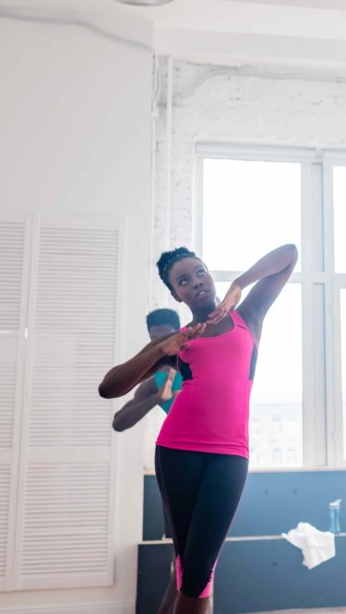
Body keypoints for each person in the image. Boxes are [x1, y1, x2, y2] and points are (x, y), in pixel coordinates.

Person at [99, 243, 298, 614]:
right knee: (191, 569)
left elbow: (289, 254)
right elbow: (109, 388)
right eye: (184, 281)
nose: (196, 282)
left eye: (200, 272)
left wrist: (242, 281)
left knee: (197, 569)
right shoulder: (177, 340)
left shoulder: (249, 315)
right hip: (177, 452)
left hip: (231, 455)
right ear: (177, 294)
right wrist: (159, 351)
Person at [111, 308, 183, 613]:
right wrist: (158, 397)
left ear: (180, 333)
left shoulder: (198, 362)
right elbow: (119, 420)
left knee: (200, 563)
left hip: (218, 463)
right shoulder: (155, 380)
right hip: (179, 469)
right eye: (155, 339)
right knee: (181, 562)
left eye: (166, 336)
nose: (161, 343)